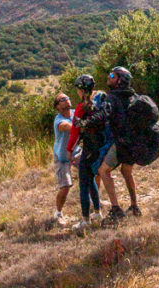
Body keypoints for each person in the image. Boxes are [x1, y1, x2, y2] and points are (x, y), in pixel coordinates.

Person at [83, 66, 141, 225]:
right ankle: (135, 207)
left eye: (111, 75)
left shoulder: (112, 97)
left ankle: (115, 209)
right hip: (134, 142)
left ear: (119, 80)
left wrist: (86, 122)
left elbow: (102, 116)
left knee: (103, 171)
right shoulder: (132, 96)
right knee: (126, 171)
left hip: (121, 142)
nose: (108, 77)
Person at [66, 74, 104, 232]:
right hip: (98, 146)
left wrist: (69, 150)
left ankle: (85, 220)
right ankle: (97, 212)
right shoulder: (97, 103)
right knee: (91, 180)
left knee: (83, 183)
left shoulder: (82, 107)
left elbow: (75, 131)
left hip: (88, 147)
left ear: (82, 90)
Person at [52, 91, 77, 226]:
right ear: (57, 106)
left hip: (76, 152)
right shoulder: (59, 120)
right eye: (62, 99)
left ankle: (94, 201)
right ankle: (58, 213)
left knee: (94, 172)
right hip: (62, 157)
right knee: (65, 186)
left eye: (67, 97)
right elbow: (68, 127)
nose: (66, 99)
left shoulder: (75, 113)